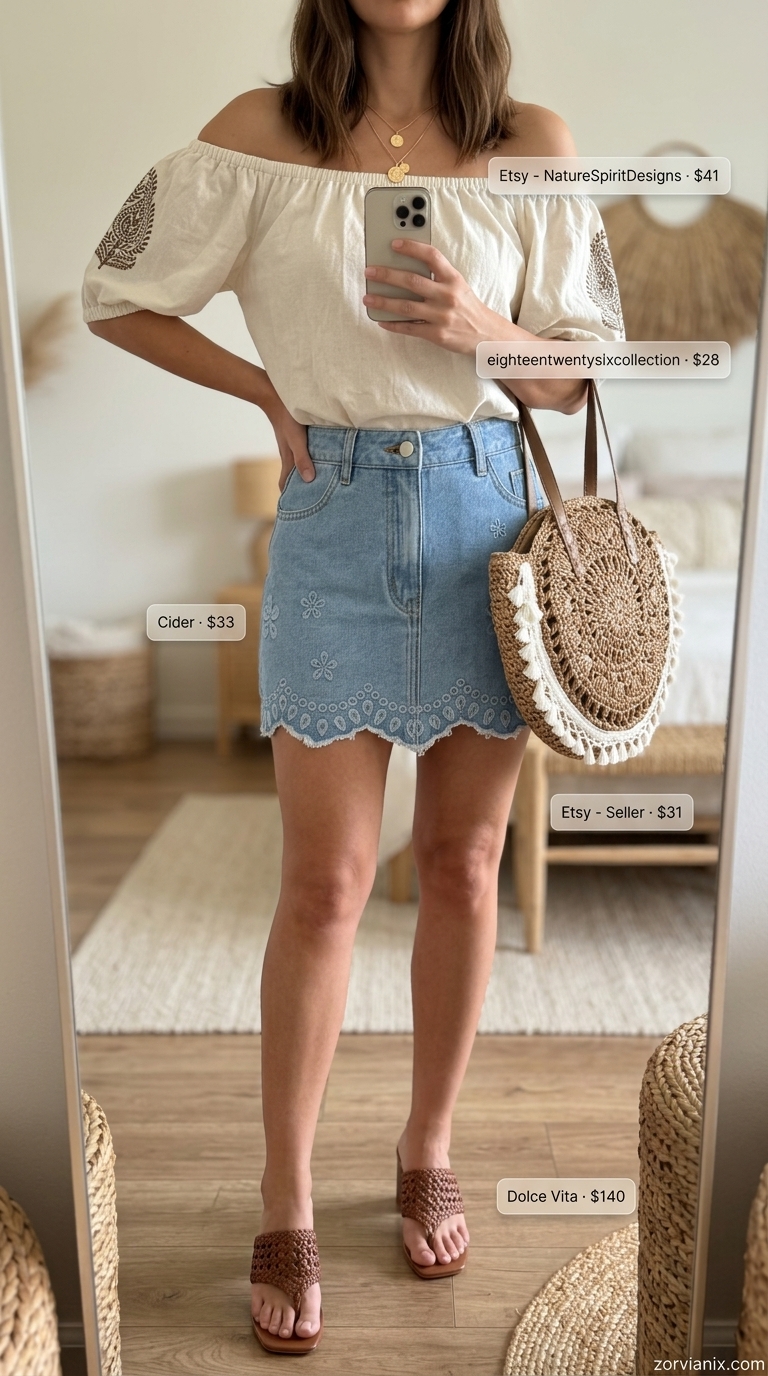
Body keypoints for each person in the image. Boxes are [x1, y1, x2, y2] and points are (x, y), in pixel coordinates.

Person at [83, 0, 623, 1353]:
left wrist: (481, 324)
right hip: (329, 523)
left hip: (490, 523)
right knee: (323, 886)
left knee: (462, 863)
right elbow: (116, 291)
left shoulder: (533, 141)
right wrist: (264, 390)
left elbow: (580, 374)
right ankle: (286, 1196)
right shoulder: (258, 135)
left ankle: (427, 1143)